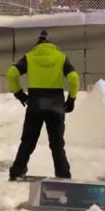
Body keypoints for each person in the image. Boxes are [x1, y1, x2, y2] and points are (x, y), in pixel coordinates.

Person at [6, 30, 80, 181]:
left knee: (28, 141)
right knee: (57, 143)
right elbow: (74, 77)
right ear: (52, 44)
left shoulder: (29, 57)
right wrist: (71, 99)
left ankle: (17, 171)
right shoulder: (61, 58)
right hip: (56, 105)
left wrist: (18, 92)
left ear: (36, 45)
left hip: (35, 104)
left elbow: (12, 73)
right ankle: (63, 173)